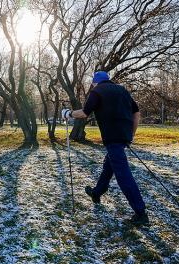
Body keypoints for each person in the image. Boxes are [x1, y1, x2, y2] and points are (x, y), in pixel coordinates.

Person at [61, 71, 148, 226]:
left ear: (95, 82)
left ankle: (140, 213)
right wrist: (131, 135)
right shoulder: (123, 90)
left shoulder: (97, 91)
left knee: (123, 175)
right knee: (109, 166)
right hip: (123, 137)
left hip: (112, 138)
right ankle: (96, 193)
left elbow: (84, 113)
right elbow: (136, 113)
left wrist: (68, 113)